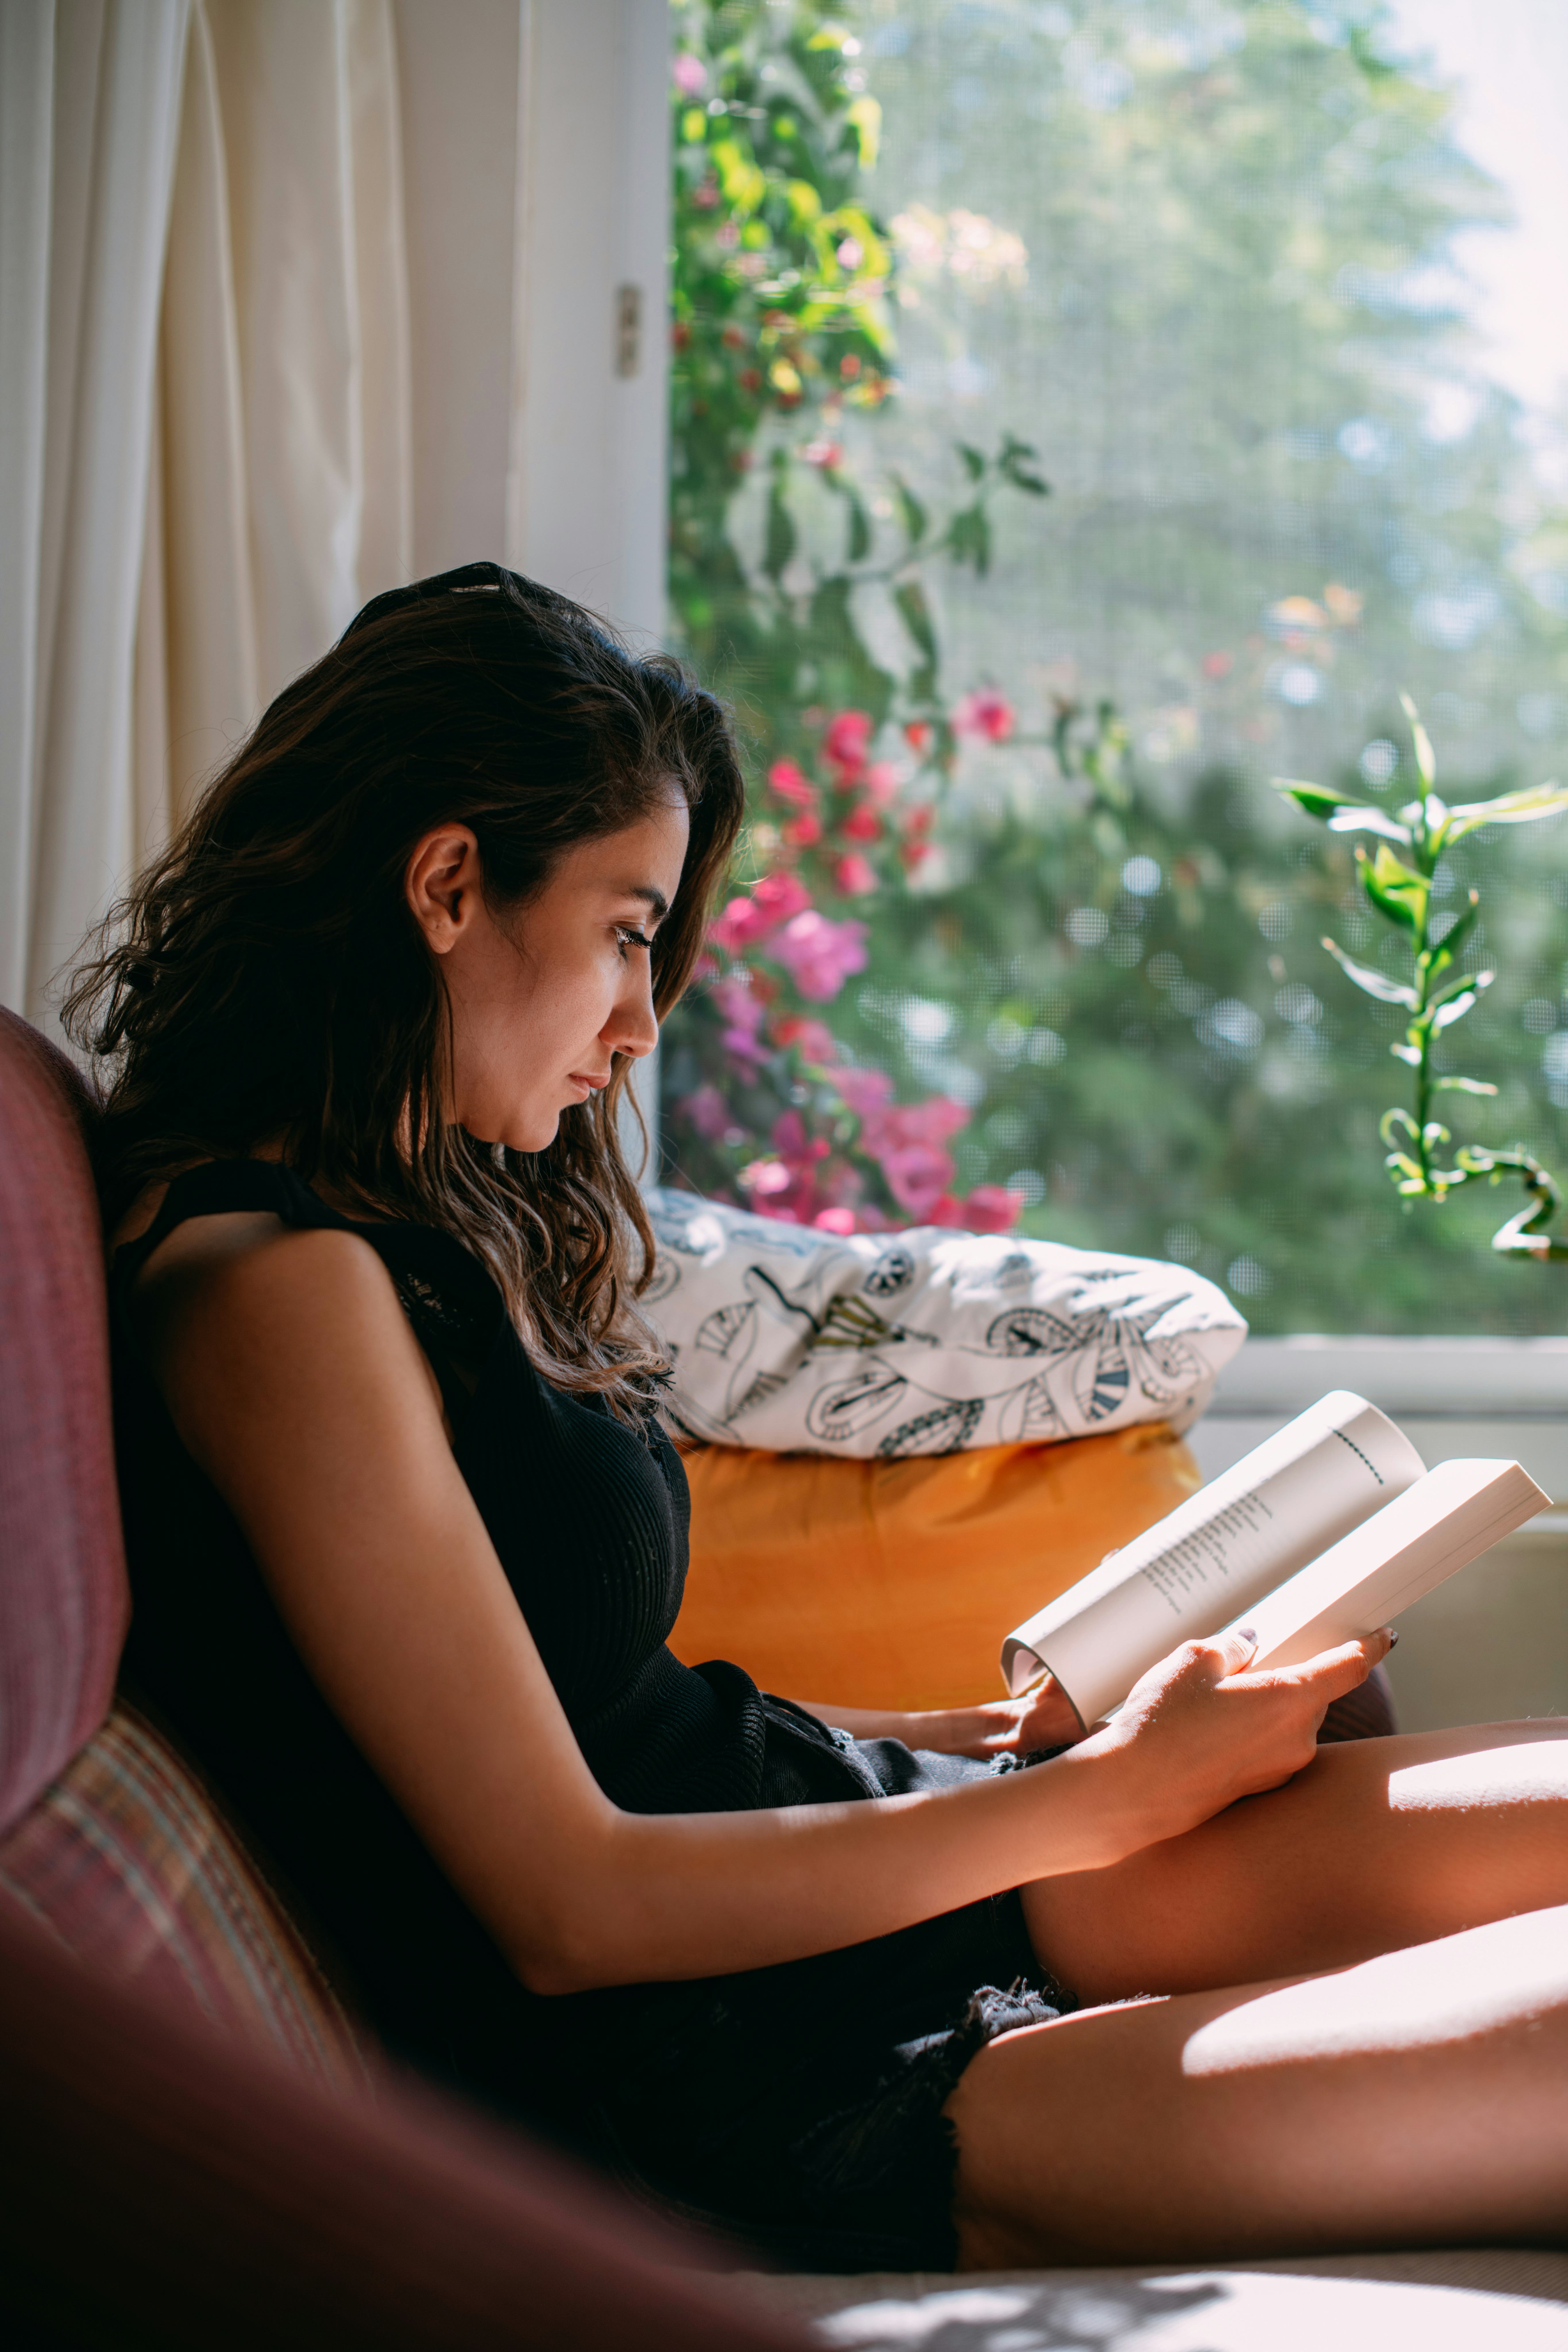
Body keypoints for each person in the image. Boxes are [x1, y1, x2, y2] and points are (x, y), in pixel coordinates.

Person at [70, 564, 1567, 2274]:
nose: (639, 1026)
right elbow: (564, 1904)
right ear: (444, 881)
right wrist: (1110, 1801)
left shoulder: (398, 1222)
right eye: (628, 932)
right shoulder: (270, 1290)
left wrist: (1004, 1740)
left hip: (856, 1851)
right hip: (753, 2063)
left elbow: (605, 1709)